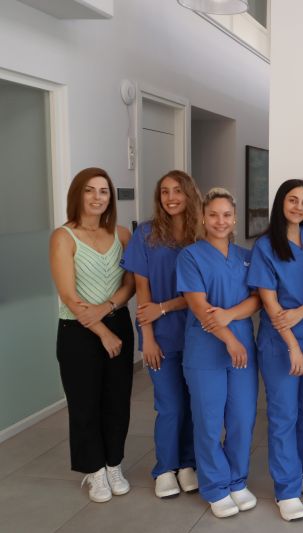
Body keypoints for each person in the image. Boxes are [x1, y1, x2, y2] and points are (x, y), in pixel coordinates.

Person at [247, 179, 303, 521]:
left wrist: (301, 311)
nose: (299, 206)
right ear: (280, 203)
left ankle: (302, 472)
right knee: (283, 415)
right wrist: (293, 345)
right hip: (280, 343)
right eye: (292, 200)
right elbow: (270, 304)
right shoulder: (266, 246)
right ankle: (286, 489)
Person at [49, 167, 135, 503]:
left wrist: (108, 307)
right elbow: (70, 297)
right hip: (77, 331)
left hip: (116, 322)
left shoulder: (123, 234)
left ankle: (114, 463)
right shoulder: (62, 236)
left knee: (117, 401)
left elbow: (130, 284)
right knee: (85, 404)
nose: (98, 197)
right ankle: (94, 471)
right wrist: (101, 330)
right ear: (78, 195)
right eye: (90, 190)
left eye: (103, 191)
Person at [176, 188, 260, 518]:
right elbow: (199, 307)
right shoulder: (191, 256)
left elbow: (256, 299)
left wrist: (228, 315)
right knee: (209, 422)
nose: (220, 221)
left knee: (242, 419)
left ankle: (237, 480)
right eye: (213, 215)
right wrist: (229, 338)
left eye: (226, 215)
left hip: (241, 350)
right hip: (206, 352)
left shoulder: (246, 256)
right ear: (202, 218)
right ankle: (214, 486)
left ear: (235, 219)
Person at [120, 170, 202, 499]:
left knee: (195, 403)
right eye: (165, 191)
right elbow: (143, 293)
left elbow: (203, 293)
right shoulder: (146, 235)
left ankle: (188, 464)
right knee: (170, 405)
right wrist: (148, 338)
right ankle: (165, 468)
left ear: (189, 194)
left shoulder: (203, 235)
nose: (171, 198)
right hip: (161, 338)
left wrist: (166, 307)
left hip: (198, 336)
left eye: (177, 191)